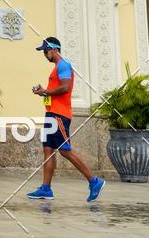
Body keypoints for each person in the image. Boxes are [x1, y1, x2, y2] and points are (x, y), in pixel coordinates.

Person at [27, 37, 105, 202]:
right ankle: (46, 189)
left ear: (55, 49)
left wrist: (46, 92)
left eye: (46, 51)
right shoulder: (57, 67)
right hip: (52, 113)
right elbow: (57, 88)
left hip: (59, 115)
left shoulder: (63, 65)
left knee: (64, 150)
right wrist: (44, 91)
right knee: (48, 150)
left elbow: (65, 87)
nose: (44, 54)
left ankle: (94, 181)